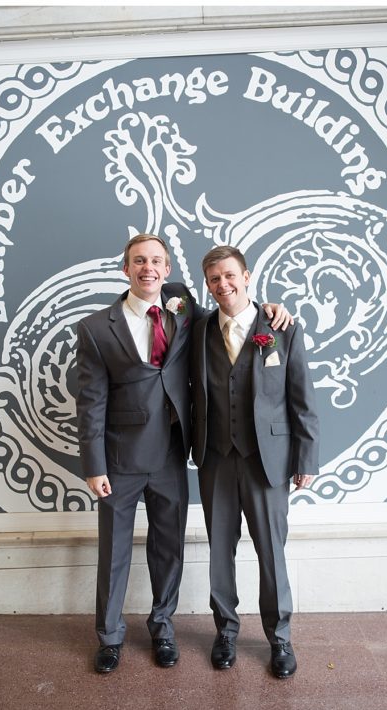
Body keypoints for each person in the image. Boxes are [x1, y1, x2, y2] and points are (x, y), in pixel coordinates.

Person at [75, 232, 291, 674]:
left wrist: (271, 309)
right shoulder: (96, 328)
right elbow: (90, 402)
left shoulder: (184, 307)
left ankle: (162, 629)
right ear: (125, 269)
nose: (148, 268)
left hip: (173, 453)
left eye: (156, 261)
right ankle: (110, 637)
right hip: (119, 458)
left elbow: (233, 307)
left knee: (168, 549)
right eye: (139, 261)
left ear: (168, 269)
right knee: (114, 552)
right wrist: (94, 465)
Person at [190, 244, 319, 679]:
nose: (222, 284)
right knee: (219, 552)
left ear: (246, 277)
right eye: (214, 279)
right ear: (207, 285)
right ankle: (225, 631)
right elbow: (166, 291)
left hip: (268, 459)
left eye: (230, 275)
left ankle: (279, 638)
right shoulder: (198, 329)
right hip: (215, 457)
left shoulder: (282, 328)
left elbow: (302, 399)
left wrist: (306, 457)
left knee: (271, 552)